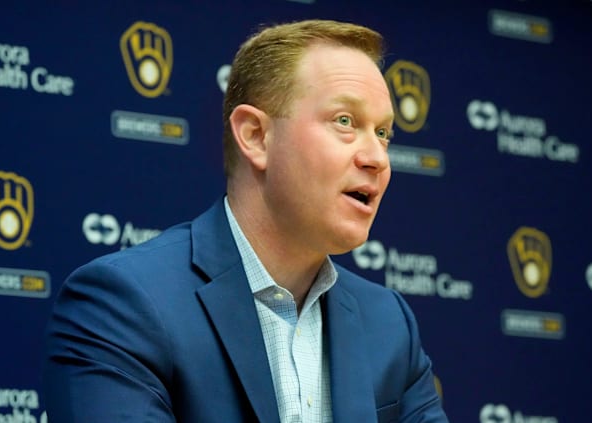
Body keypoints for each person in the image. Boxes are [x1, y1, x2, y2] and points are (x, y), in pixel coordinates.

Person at [43, 19, 448, 422]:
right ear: (255, 136)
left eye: (382, 132)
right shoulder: (124, 304)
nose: (377, 157)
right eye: (345, 121)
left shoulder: (390, 323)